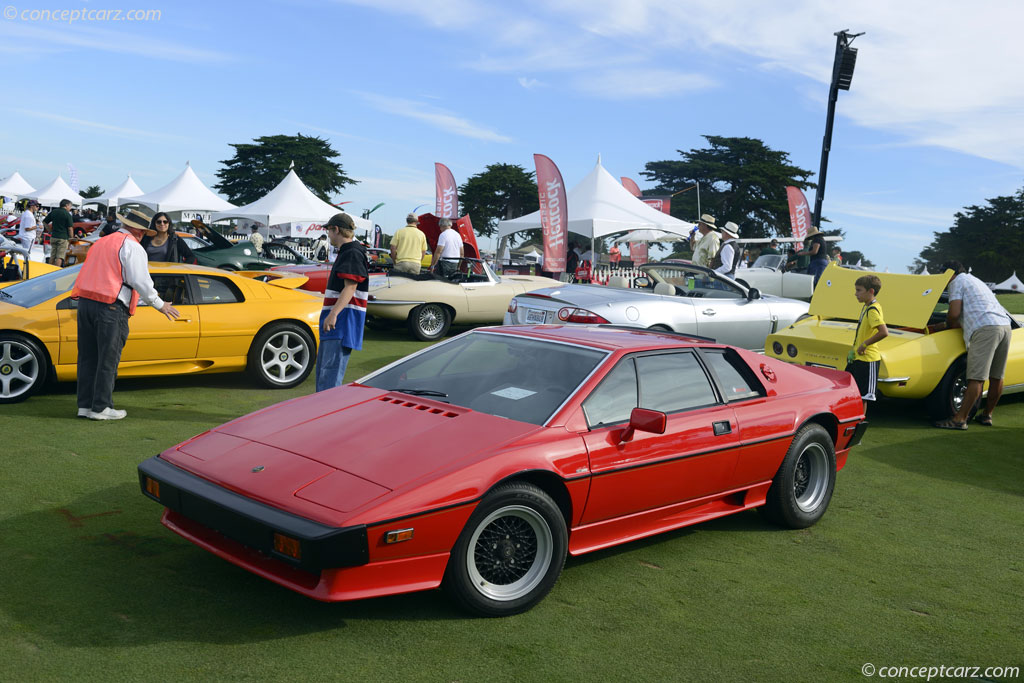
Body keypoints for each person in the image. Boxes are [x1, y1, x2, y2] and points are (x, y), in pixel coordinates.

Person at [74, 208, 180, 420]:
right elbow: (140, 280)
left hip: (85, 303)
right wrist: (160, 304)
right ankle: (101, 407)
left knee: (88, 358)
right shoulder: (132, 246)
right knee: (108, 359)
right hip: (111, 306)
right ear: (140, 231)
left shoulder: (101, 242)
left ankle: (85, 406)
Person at [931, 261, 1013, 430]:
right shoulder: (974, 280)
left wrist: (946, 325)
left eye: (942, 274)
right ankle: (987, 415)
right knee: (997, 376)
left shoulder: (956, 282)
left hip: (985, 329)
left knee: (976, 378)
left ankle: (959, 420)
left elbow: (953, 314)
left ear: (950, 273)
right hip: (1004, 325)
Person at [317, 213, 368, 392]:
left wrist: (333, 314)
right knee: (325, 373)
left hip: (342, 321)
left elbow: (350, 287)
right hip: (339, 320)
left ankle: (324, 416)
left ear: (336, 229)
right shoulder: (349, 251)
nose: (328, 235)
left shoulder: (352, 252)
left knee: (329, 377)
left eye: (329, 231)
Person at [844, 275, 888, 404]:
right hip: (857, 358)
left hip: (868, 360)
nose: (855, 294)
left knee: (864, 398)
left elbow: (884, 332)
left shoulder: (873, 309)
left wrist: (864, 344)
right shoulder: (867, 306)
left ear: (871, 291)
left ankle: (860, 422)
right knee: (851, 392)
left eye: (859, 290)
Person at [45, 199, 75, 267]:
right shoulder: (67, 214)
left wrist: (50, 230)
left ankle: (48, 271)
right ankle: (56, 272)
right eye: (70, 206)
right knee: (60, 256)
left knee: (52, 255)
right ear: (66, 205)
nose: (70, 208)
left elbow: (45, 222)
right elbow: (70, 228)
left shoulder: (54, 211)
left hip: (53, 236)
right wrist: (71, 237)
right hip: (63, 238)